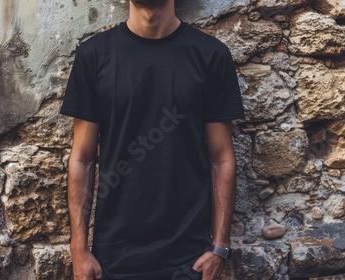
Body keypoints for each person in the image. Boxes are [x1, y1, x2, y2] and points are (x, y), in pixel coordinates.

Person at [59, 0, 245, 279]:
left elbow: (222, 158)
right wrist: (78, 249)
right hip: (112, 259)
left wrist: (220, 248)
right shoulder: (94, 55)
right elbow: (82, 159)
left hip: (189, 259)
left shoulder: (211, 56)